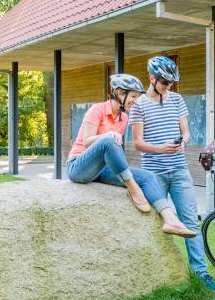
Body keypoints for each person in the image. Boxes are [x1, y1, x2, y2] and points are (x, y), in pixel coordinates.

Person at [130, 56, 215, 293]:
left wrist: (184, 140)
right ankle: (158, 275)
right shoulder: (139, 105)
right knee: (156, 223)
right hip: (153, 174)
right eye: (164, 83)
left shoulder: (177, 100)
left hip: (179, 169)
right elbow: (138, 143)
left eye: (171, 83)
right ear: (152, 79)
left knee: (190, 221)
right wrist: (160, 148)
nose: (168, 87)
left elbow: (186, 130)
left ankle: (201, 274)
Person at [66, 73, 195, 238]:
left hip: (101, 169)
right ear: (120, 93)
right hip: (78, 166)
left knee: (148, 177)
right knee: (109, 140)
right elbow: (87, 141)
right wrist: (109, 135)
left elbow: (114, 152)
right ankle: (132, 187)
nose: (135, 101)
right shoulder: (96, 110)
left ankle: (170, 220)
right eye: (133, 96)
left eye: (137, 97)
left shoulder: (124, 118)